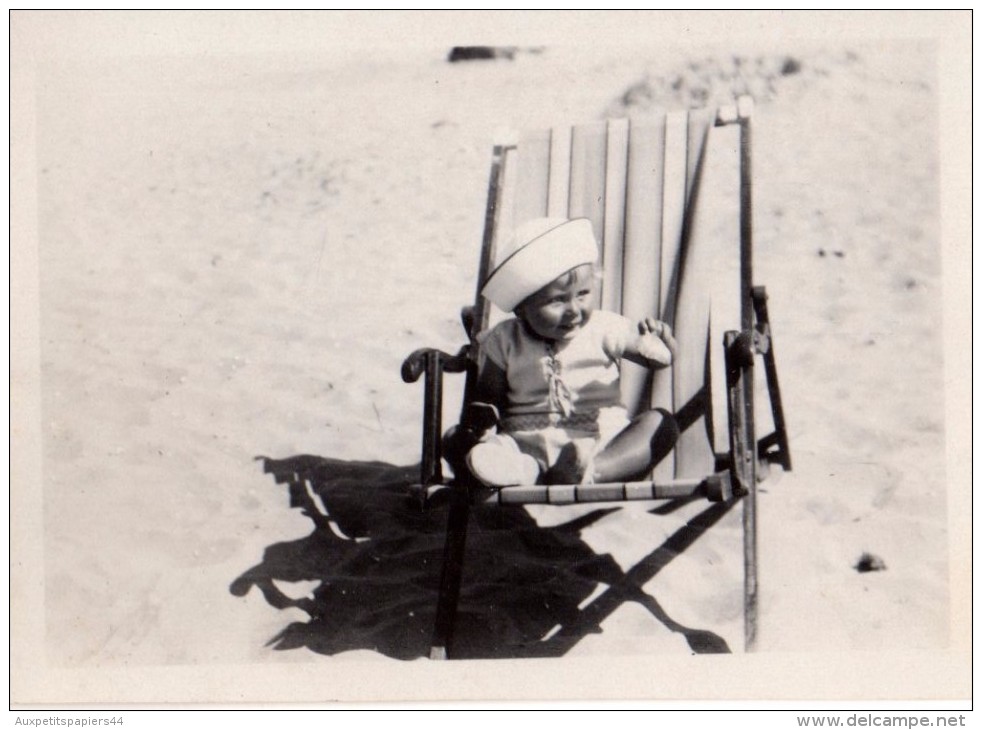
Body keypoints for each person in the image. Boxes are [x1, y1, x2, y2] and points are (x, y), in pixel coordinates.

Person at [457, 216, 679, 487]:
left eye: (582, 294)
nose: (574, 309)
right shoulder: (505, 339)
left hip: (598, 441)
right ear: (521, 307)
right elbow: (489, 396)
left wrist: (660, 344)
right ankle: (526, 471)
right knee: (456, 441)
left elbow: (657, 358)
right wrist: (483, 418)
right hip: (524, 443)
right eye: (557, 300)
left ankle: (590, 472)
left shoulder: (605, 327)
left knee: (662, 423)